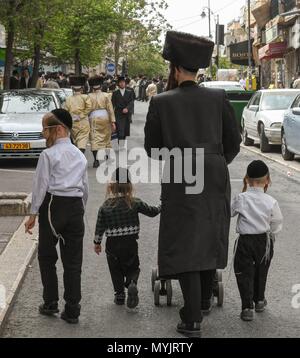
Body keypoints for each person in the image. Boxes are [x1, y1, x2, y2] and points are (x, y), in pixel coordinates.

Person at [144, 30, 241, 337]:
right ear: (197, 69)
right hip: (214, 171)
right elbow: (233, 142)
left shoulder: (160, 101)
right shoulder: (218, 97)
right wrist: (213, 163)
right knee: (209, 231)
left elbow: (151, 148)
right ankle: (205, 298)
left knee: (184, 238)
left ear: (174, 68)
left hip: (180, 172)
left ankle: (192, 317)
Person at [24, 109, 88, 324]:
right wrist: (80, 209)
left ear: (59, 129)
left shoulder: (48, 155)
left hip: (53, 206)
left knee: (47, 256)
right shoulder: (79, 154)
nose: (44, 134)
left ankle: (50, 302)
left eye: (46, 129)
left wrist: (33, 213)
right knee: (73, 261)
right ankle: (72, 309)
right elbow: (85, 187)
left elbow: (40, 185)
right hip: (76, 206)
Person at [94, 167, 161, 308]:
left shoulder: (105, 206)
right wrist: (162, 204)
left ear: (111, 187)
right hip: (130, 243)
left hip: (112, 245)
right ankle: (131, 282)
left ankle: (119, 295)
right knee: (133, 267)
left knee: (115, 270)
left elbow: (99, 226)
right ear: (129, 186)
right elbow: (152, 211)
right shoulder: (134, 202)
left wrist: (97, 243)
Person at [231, 160, 283, 322]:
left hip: (245, 241)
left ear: (246, 179)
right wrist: (272, 233)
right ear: (267, 180)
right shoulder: (271, 201)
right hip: (264, 242)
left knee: (244, 272)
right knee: (262, 271)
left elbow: (230, 212)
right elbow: (277, 220)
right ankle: (259, 301)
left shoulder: (241, 198)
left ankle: (247, 308)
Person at [88, 77, 116, 168]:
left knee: (94, 138)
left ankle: (96, 160)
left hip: (93, 117)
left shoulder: (88, 96)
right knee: (106, 137)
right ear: (100, 86)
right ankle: (107, 157)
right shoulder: (106, 95)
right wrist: (113, 121)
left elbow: (87, 109)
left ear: (92, 87)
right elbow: (110, 109)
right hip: (105, 117)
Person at [64, 76, 92, 154]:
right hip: (83, 121)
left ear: (72, 89)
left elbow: (66, 110)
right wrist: (81, 115)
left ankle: (78, 156)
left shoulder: (68, 99)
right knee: (82, 141)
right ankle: (81, 156)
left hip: (73, 122)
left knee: (76, 140)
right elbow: (89, 108)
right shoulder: (85, 97)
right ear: (82, 88)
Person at [112, 76, 135, 147]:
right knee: (120, 130)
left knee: (125, 131)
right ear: (118, 84)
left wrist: (127, 108)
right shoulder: (115, 93)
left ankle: (122, 143)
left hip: (126, 114)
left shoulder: (129, 92)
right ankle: (121, 146)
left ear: (125, 83)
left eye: (123, 82)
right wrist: (111, 116)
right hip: (118, 113)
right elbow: (112, 104)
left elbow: (131, 102)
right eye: (120, 83)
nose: (122, 84)